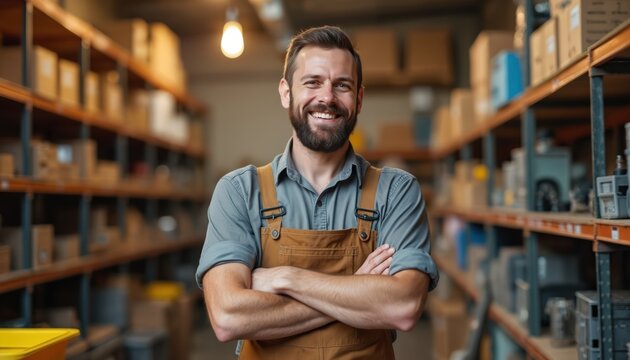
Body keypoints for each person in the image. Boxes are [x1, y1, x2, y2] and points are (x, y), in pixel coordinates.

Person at [196, 25, 438, 359]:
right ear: (286, 92)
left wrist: (286, 278)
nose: (327, 97)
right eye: (312, 82)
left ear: (360, 98)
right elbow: (227, 316)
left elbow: (403, 307)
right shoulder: (240, 191)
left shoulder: (396, 192)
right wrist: (358, 289)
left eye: (342, 85)